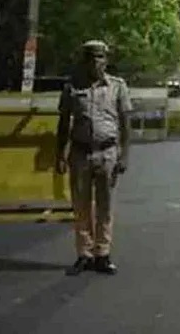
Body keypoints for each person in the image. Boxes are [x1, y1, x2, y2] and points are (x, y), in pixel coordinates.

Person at [56, 40, 132, 276]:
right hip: (80, 152)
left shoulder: (117, 86)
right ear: (83, 61)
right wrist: (60, 154)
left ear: (106, 61)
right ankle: (84, 254)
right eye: (90, 58)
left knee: (105, 206)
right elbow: (63, 122)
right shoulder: (72, 87)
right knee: (81, 206)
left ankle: (103, 253)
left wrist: (124, 154)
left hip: (107, 152)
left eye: (99, 57)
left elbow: (125, 122)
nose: (95, 62)